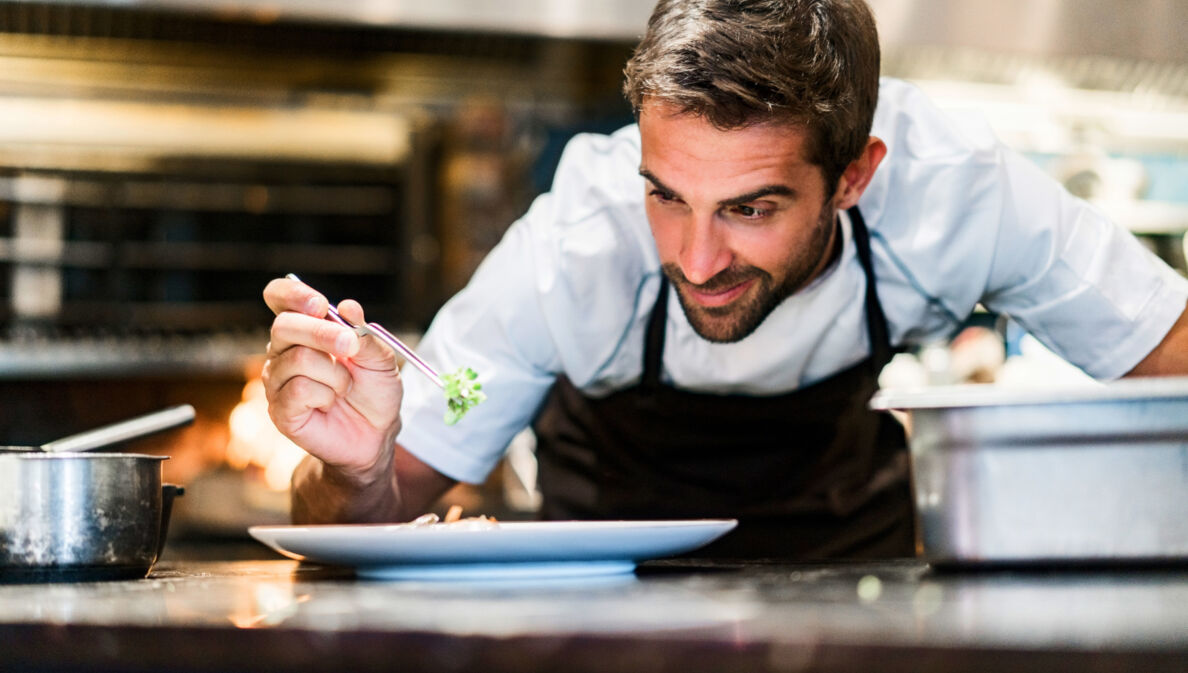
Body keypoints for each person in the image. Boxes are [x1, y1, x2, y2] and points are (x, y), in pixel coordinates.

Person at [262, 0, 1188, 559]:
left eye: (750, 207)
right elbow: (364, 519)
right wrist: (354, 463)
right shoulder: (572, 246)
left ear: (855, 176)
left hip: (857, 591)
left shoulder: (959, 192)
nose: (696, 261)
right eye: (667, 195)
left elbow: (1169, 357)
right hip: (606, 619)